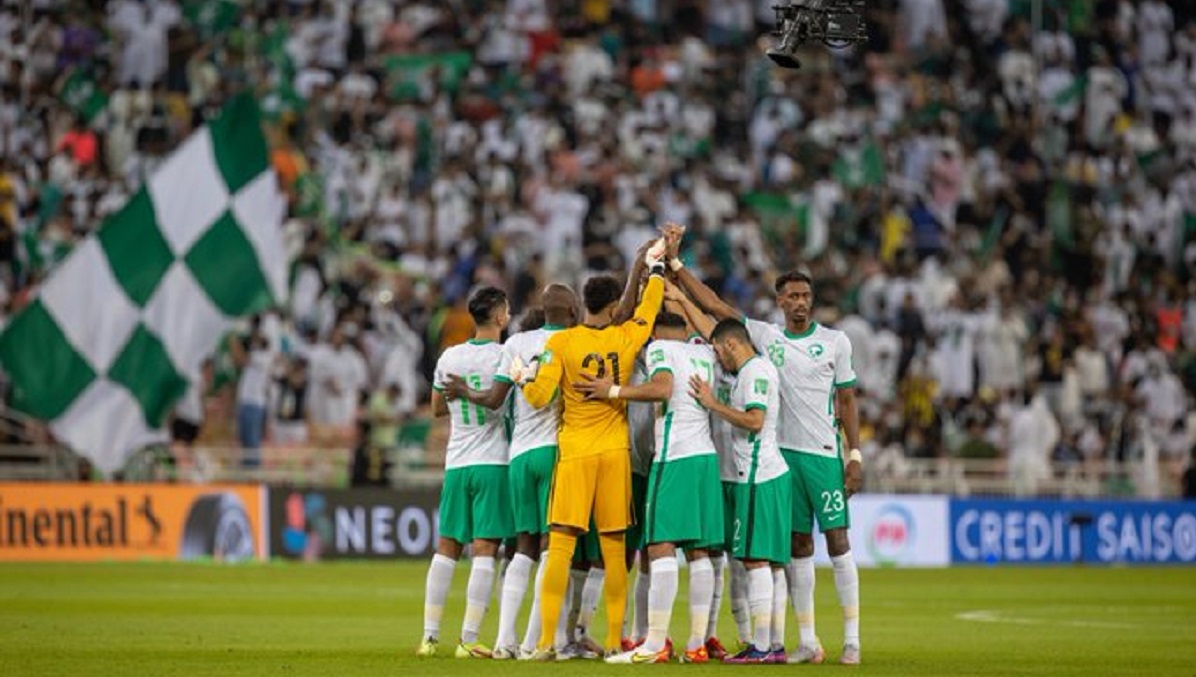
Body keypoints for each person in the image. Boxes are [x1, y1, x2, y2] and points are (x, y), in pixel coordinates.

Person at [675, 267, 863, 665]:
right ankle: (808, 640)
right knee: (796, 547)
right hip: (783, 456)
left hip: (823, 454)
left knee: (839, 542)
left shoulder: (835, 342)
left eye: (805, 295)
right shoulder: (766, 338)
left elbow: (847, 401)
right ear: (780, 300)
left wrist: (855, 454)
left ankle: (852, 639)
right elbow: (715, 307)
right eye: (792, 296)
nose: (800, 302)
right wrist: (677, 271)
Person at [515, 237, 669, 659]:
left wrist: (521, 376)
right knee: (615, 551)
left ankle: (546, 642)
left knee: (561, 547)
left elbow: (538, 398)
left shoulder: (561, 344)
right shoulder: (625, 337)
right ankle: (619, 642)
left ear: (583, 302)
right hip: (614, 456)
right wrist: (654, 267)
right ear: (612, 304)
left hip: (576, 454)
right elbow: (650, 307)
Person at [443, 284, 581, 659]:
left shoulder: (517, 343)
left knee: (523, 548)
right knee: (554, 547)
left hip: (518, 455)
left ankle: (504, 641)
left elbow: (493, 399)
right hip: (556, 451)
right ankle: (536, 643)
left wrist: (464, 393)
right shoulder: (576, 339)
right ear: (571, 310)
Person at [577, 311, 724, 664]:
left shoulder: (659, 349)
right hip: (705, 456)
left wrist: (611, 390)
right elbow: (718, 331)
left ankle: (654, 643)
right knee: (699, 550)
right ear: (686, 328)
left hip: (674, 457)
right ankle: (696, 644)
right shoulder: (704, 352)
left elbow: (662, 388)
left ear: (654, 332)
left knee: (659, 546)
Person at [417, 286, 514, 659]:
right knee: (486, 549)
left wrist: (460, 392)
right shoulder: (507, 356)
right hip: (494, 462)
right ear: (501, 316)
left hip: (457, 462)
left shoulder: (450, 356)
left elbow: (437, 409)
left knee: (446, 549)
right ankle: (469, 639)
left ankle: (428, 638)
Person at [689, 318, 792, 664]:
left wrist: (711, 403)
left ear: (731, 344)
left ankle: (762, 647)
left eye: (718, 350)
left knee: (754, 560)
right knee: (771, 565)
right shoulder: (754, 369)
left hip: (757, 476)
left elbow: (754, 420)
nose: (719, 358)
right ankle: (773, 645)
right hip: (769, 474)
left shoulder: (754, 372)